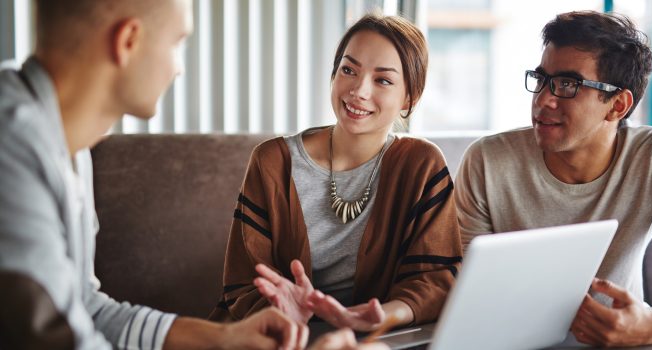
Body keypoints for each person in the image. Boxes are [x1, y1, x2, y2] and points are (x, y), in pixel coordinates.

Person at [0, 0, 384, 349]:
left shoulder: (62, 141)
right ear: (128, 41)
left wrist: (224, 338)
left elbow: (86, 310)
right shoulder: (12, 146)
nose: (179, 67)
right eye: (177, 43)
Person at [454, 10, 652, 347]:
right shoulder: (487, 161)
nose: (544, 99)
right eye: (541, 79)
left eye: (568, 85)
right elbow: (465, 292)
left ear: (617, 105)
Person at [209, 13, 463, 332]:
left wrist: (381, 316)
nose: (358, 90)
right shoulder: (272, 161)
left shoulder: (421, 164)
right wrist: (290, 317)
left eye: (382, 80)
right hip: (278, 336)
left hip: (374, 339)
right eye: (348, 70)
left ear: (409, 97)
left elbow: (437, 280)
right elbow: (243, 282)